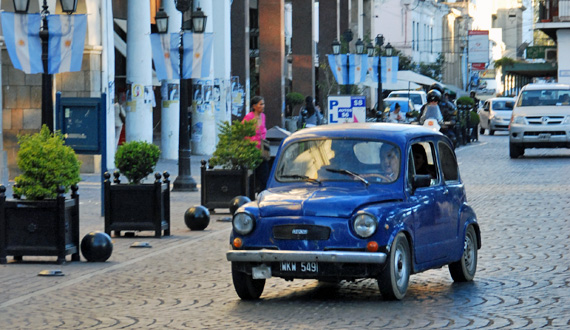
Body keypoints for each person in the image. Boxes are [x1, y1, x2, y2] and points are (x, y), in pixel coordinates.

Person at [243, 96, 269, 193]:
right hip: (252, 150)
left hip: (262, 151)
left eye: (263, 104)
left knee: (264, 175)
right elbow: (243, 131)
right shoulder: (249, 117)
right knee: (252, 176)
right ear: (254, 106)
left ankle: (262, 194)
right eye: (261, 104)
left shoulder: (263, 116)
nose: (263, 106)